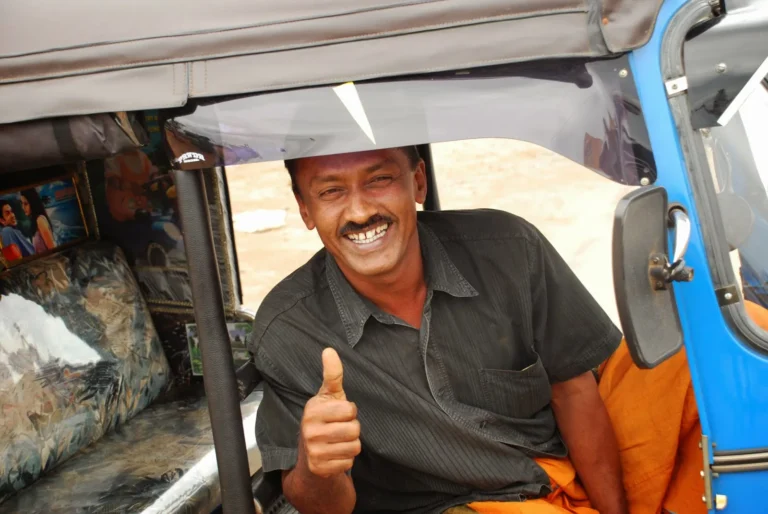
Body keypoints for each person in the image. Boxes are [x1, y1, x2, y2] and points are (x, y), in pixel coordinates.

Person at [249, 146, 703, 514]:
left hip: (569, 467)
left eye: (379, 180)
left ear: (418, 183)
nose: (361, 210)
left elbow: (575, 390)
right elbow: (325, 507)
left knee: (713, 343)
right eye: (330, 192)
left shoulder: (507, 248)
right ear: (305, 209)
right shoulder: (288, 331)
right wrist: (317, 466)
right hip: (467, 506)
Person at [20, 189, 55, 253]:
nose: (23, 207)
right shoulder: (35, 221)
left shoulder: (40, 220)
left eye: (25, 204)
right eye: (21, 203)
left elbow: (52, 249)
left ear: (33, 203)